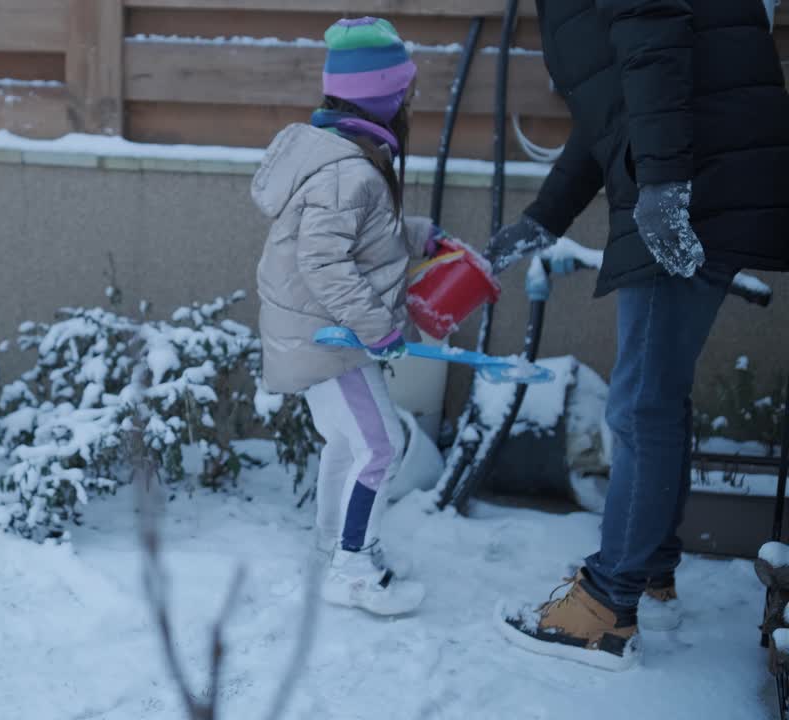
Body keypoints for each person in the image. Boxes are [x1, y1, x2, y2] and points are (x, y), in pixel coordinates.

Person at [487, 0, 789, 670]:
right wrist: (545, 217)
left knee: (640, 403)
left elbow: (655, 49)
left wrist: (664, 185)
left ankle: (604, 607)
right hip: (692, 165)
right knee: (657, 396)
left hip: (695, 173)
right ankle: (646, 570)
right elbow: (615, 104)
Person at [252, 17, 456, 616]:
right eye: (406, 90)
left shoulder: (339, 156)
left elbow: (353, 237)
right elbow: (324, 260)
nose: (410, 100)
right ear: (387, 97)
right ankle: (354, 568)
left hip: (318, 333)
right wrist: (380, 330)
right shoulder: (351, 169)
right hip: (332, 338)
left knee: (347, 442)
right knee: (381, 447)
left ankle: (331, 549)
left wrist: (414, 235)